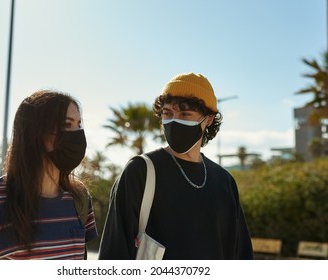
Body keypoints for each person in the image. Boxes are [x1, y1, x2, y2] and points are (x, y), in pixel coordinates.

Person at [98, 72, 253, 260]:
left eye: (185, 114)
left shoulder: (224, 181)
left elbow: (240, 254)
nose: (174, 120)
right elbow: (114, 252)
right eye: (167, 113)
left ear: (208, 120)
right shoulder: (141, 171)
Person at [0, 90, 97, 260]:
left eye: (79, 125)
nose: (77, 134)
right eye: (66, 125)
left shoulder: (79, 198)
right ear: (36, 132)